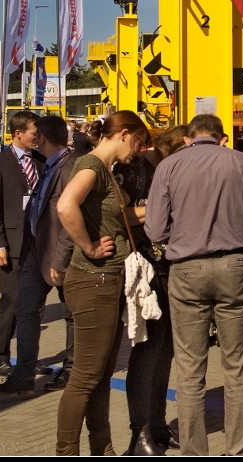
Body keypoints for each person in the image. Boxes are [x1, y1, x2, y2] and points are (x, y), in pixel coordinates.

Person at [145, 114, 243, 456]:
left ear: (188, 138)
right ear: (221, 138)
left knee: (189, 368)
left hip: (186, 269)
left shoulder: (168, 167)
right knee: (238, 367)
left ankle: (194, 452)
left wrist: (183, 238)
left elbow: (154, 230)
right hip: (234, 266)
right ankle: (238, 450)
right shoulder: (241, 163)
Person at [55, 111, 150, 456]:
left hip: (106, 281)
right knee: (85, 377)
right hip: (93, 280)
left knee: (100, 374)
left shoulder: (106, 172)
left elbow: (123, 215)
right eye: (138, 142)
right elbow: (66, 206)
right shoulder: (92, 166)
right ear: (124, 134)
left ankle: (102, 447)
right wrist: (88, 245)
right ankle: (67, 450)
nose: (138, 150)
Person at [0, 115, 76, 396]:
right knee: (21, 307)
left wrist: (61, 255)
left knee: (69, 312)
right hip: (27, 246)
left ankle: (69, 370)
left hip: (57, 251)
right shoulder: (2, 162)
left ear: (43, 138)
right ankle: (19, 371)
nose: (35, 139)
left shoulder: (67, 166)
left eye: (38, 134)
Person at [119, 124, 188, 455]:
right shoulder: (140, 167)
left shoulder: (171, 168)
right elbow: (121, 215)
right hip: (146, 266)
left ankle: (157, 424)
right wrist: (166, 208)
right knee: (147, 350)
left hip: (171, 267)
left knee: (166, 351)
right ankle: (139, 430)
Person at [0, 109, 45, 379]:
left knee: (34, 304)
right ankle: (1, 354)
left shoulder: (42, 161)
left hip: (38, 242)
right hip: (11, 243)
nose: (37, 138)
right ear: (18, 133)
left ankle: (28, 357)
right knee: (12, 300)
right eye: (33, 132)